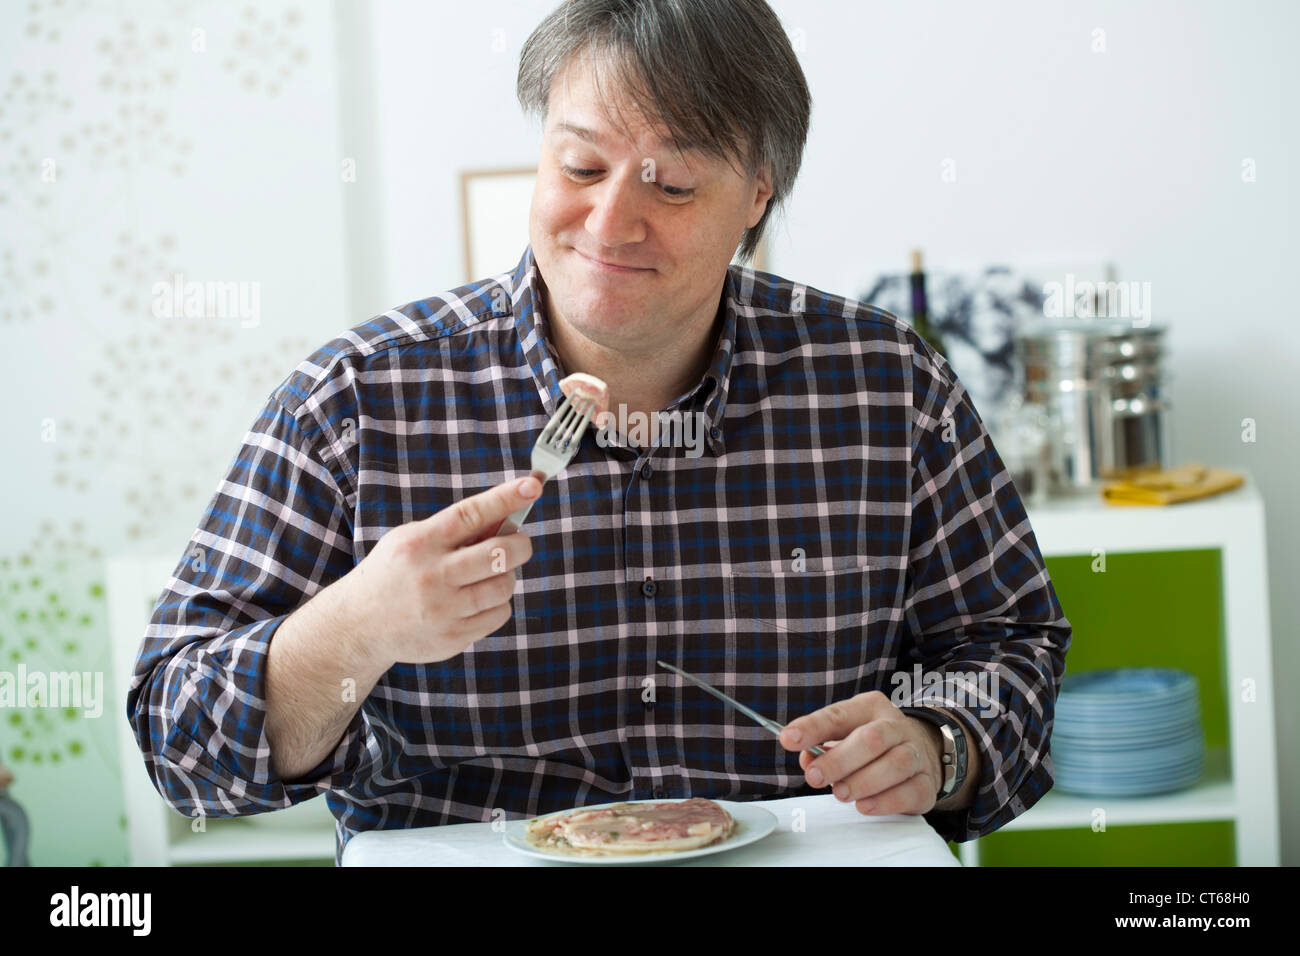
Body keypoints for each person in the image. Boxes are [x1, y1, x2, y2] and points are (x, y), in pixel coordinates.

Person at [127, 0, 1071, 865]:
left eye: (672, 186)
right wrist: (354, 630)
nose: (610, 222)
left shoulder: (887, 387)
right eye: (580, 166)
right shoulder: (356, 402)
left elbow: (1011, 644)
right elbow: (179, 740)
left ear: (756, 196)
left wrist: (942, 745)